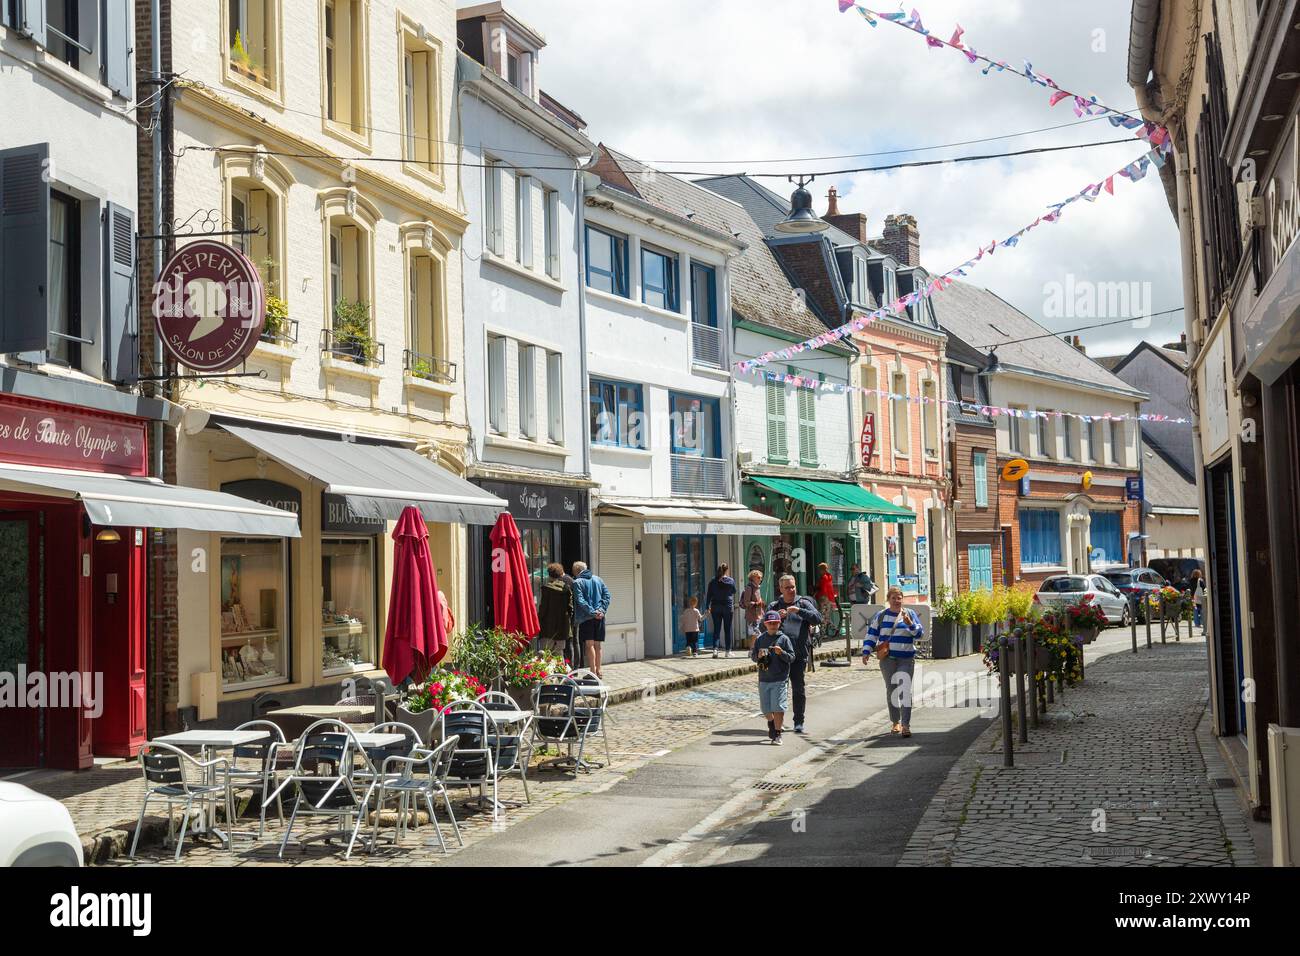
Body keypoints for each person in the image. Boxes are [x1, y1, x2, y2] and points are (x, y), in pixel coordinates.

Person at [861, 586, 924, 738]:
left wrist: (910, 624)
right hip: (887, 659)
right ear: (888, 600)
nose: (896, 600)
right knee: (891, 690)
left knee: (904, 691)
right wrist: (866, 651)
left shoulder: (910, 614)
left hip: (906, 658)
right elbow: (872, 634)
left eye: (899, 597)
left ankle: (906, 725)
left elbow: (919, 634)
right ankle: (895, 721)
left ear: (902, 599)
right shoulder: (881, 616)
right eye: (893, 598)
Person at [766, 574, 822, 735]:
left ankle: (799, 721)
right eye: (787, 588)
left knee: (798, 689)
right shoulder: (775, 606)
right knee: (778, 689)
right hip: (778, 655)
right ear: (781, 589)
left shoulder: (803, 603)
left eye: (793, 587)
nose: (791, 590)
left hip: (798, 654)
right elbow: (764, 627)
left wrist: (799, 611)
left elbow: (818, 618)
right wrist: (778, 618)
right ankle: (778, 722)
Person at [751, 609, 796, 745]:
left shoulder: (784, 639)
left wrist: (781, 653)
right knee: (765, 709)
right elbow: (753, 657)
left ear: (779, 623)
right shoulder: (760, 639)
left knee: (778, 707)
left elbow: (792, 657)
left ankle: (777, 734)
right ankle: (771, 723)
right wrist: (757, 656)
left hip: (780, 678)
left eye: (775, 623)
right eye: (770, 623)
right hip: (764, 678)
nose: (773, 625)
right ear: (765, 624)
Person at [571, 561, 611, 678]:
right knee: (598, 645)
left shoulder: (577, 582)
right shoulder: (598, 579)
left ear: (576, 571)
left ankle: (592, 672)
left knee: (589, 645)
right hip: (600, 617)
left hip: (586, 617)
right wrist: (601, 610)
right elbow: (607, 596)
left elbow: (580, 600)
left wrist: (592, 612)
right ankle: (599, 671)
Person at [537, 562, 574, 661]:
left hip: (547, 627)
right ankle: (560, 675)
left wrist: (538, 620)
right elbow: (570, 609)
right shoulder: (566, 589)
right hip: (563, 627)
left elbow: (543, 609)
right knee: (559, 653)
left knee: (545, 652)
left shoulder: (546, 589)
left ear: (549, 574)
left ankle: (548, 676)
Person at [704, 564, 738, 658]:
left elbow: (709, 595)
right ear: (727, 570)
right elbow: (734, 591)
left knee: (716, 629)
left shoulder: (712, 581)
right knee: (728, 629)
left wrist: (707, 606)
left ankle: (715, 650)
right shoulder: (730, 581)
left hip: (715, 607)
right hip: (727, 607)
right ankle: (728, 651)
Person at [741, 570, 766, 646]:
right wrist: (756, 603)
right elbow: (746, 602)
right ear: (753, 578)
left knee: (757, 633)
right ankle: (752, 650)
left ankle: (753, 650)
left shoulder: (757, 588)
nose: (760, 579)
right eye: (758, 577)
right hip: (752, 616)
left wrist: (762, 603)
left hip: (758, 614)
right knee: (755, 633)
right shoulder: (749, 588)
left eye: (761, 578)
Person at [1190, 568, 1206, 633]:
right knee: (1202, 610)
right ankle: (1202, 622)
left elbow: (1190, 588)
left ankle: (1197, 623)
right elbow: (1204, 588)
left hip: (1193, 597)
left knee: (1195, 610)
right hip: (1200, 597)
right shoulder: (1201, 581)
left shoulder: (1191, 580)